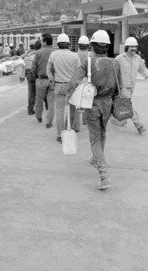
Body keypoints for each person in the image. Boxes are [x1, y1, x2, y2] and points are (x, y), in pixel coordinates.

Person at [67, 30, 119, 190]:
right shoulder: (115, 63)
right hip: (108, 103)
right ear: (107, 46)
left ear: (93, 46)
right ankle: (96, 158)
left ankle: (104, 176)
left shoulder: (88, 62)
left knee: (95, 138)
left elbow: (74, 81)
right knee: (102, 133)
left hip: (93, 103)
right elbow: (119, 87)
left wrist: (68, 93)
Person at [115, 36, 148, 135]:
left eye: (135, 47)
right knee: (129, 106)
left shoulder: (137, 58)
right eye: (131, 47)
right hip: (122, 87)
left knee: (124, 105)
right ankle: (139, 125)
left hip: (132, 87)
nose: (133, 49)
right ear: (126, 47)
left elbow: (143, 69)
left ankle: (117, 119)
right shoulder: (119, 59)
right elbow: (113, 71)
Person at [47, 33, 81, 143]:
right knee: (71, 110)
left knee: (60, 111)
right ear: (68, 44)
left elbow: (49, 69)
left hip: (59, 85)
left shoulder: (53, 55)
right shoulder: (75, 56)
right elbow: (79, 71)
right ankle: (68, 130)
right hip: (71, 86)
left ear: (58, 44)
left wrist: (52, 80)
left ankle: (60, 135)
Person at [31, 33, 55, 127]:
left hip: (41, 80)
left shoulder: (38, 52)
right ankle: (49, 122)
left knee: (39, 99)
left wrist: (34, 76)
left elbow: (34, 67)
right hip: (52, 80)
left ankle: (39, 116)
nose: (41, 42)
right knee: (51, 102)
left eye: (42, 41)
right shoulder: (55, 52)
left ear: (45, 42)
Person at [76, 35, 91, 126]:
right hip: (87, 79)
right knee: (86, 99)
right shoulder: (91, 55)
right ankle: (85, 119)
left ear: (79, 45)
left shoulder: (75, 54)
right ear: (88, 45)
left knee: (77, 100)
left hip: (78, 79)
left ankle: (77, 121)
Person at [23, 40, 37, 115]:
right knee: (39, 91)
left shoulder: (26, 54)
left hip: (28, 74)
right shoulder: (36, 54)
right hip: (35, 73)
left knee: (31, 92)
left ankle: (30, 108)